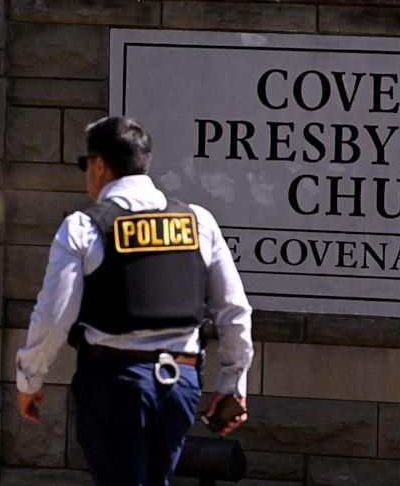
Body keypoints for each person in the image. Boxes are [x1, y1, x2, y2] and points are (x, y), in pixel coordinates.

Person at [15, 117, 254, 485]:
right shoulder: (199, 222)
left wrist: (30, 380)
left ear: (99, 165)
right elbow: (234, 310)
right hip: (180, 384)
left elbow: (53, 316)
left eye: (85, 166)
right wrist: (231, 383)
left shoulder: (84, 227)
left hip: (116, 384)